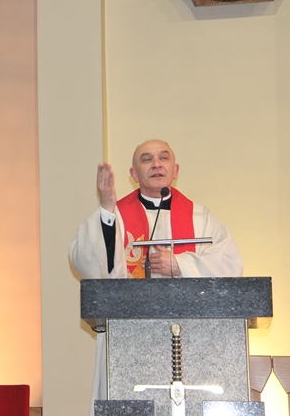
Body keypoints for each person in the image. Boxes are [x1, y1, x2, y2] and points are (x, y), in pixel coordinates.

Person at [68, 139, 243, 414]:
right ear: (134, 174)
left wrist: (180, 265)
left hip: (193, 342)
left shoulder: (200, 217)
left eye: (163, 158)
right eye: (147, 159)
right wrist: (106, 207)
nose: (156, 164)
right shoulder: (115, 215)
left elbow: (230, 264)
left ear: (175, 170)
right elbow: (88, 262)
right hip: (130, 340)